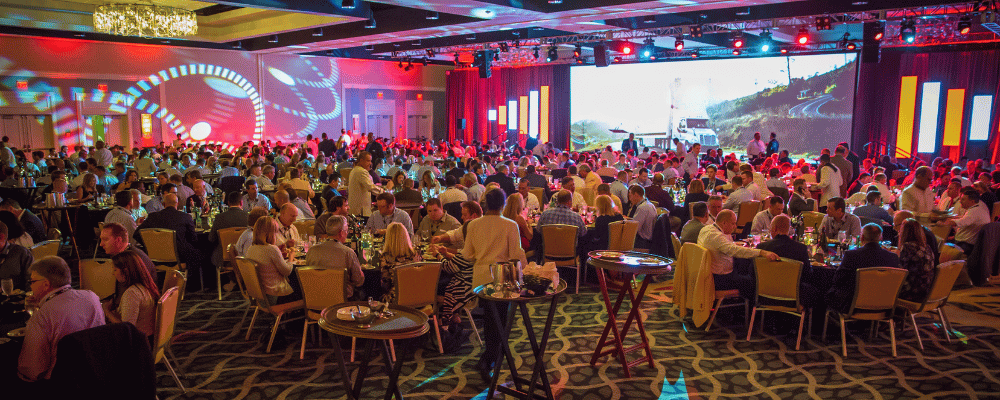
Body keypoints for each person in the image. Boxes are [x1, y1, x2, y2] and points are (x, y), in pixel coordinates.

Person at [464, 189, 527, 378]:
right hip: (502, 276)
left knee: (490, 320)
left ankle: (488, 356)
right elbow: (516, 254)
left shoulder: (474, 224)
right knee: (498, 320)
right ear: (503, 205)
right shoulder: (510, 225)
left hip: (480, 277)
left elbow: (467, 254)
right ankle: (489, 358)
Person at [17, 256, 102, 384]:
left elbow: (32, 370)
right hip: (98, 372)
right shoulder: (92, 297)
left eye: (32, 282)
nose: (30, 286)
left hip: (63, 381)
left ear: (46, 284)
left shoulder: (43, 315)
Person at [698, 210, 780, 300]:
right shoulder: (717, 236)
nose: (735, 226)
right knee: (754, 281)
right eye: (733, 223)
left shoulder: (706, 229)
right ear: (724, 223)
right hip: (720, 279)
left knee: (744, 268)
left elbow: (727, 247)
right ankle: (750, 311)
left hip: (707, 274)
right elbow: (734, 251)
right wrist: (762, 252)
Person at [136, 193, 205, 291]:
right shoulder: (185, 217)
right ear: (178, 204)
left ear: (163, 204)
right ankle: (193, 286)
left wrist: (150, 244)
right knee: (199, 252)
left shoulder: (152, 217)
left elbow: (136, 234)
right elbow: (193, 239)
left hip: (155, 257)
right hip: (179, 258)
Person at [825, 224, 900, 313]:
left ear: (862, 237)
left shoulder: (851, 255)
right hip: (883, 307)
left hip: (853, 306)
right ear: (881, 238)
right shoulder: (893, 257)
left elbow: (837, 280)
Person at [755, 215, 819, 308]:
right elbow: (807, 275)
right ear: (788, 229)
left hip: (765, 296)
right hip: (794, 298)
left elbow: (754, 272)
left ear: (774, 228)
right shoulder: (800, 248)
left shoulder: (762, 247)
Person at [102, 250, 159, 338]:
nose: (113, 273)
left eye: (115, 269)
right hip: (147, 337)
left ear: (125, 271)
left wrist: (107, 311)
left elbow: (127, 329)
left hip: (138, 343)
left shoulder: (132, 293)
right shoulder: (146, 286)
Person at [245, 217, 298, 304]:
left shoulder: (251, 248)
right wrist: (291, 257)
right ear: (270, 233)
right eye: (275, 231)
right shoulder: (271, 249)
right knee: (304, 285)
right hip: (275, 296)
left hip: (260, 296)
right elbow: (287, 271)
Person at [377, 221, 421, 304]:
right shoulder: (415, 254)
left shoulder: (385, 258)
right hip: (418, 297)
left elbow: (385, 285)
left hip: (397, 300)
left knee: (375, 295)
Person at [896, 219, 937, 303]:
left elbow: (900, 271)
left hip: (912, 293)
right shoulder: (927, 247)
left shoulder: (908, 247)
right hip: (926, 291)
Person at [940, 188, 991, 254]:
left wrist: (944, 223)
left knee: (939, 246)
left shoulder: (974, 211)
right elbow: (966, 218)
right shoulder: (978, 208)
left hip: (965, 245)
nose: (960, 201)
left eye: (963, 199)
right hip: (968, 242)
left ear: (972, 201)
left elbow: (963, 222)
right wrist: (953, 218)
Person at [209, 191, 249, 268]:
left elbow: (211, 238)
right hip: (245, 256)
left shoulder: (219, 217)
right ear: (241, 203)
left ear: (228, 203)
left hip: (223, 258)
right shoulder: (248, 217)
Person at [349, 151, 383, 216]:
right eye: (368, 161)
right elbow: (370, 187)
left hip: (356, 209)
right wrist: (383, 192)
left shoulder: (355, 169)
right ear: (361, 161)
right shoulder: (361, 171)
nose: (370, 163)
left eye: (370, 161)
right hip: (360, 211)